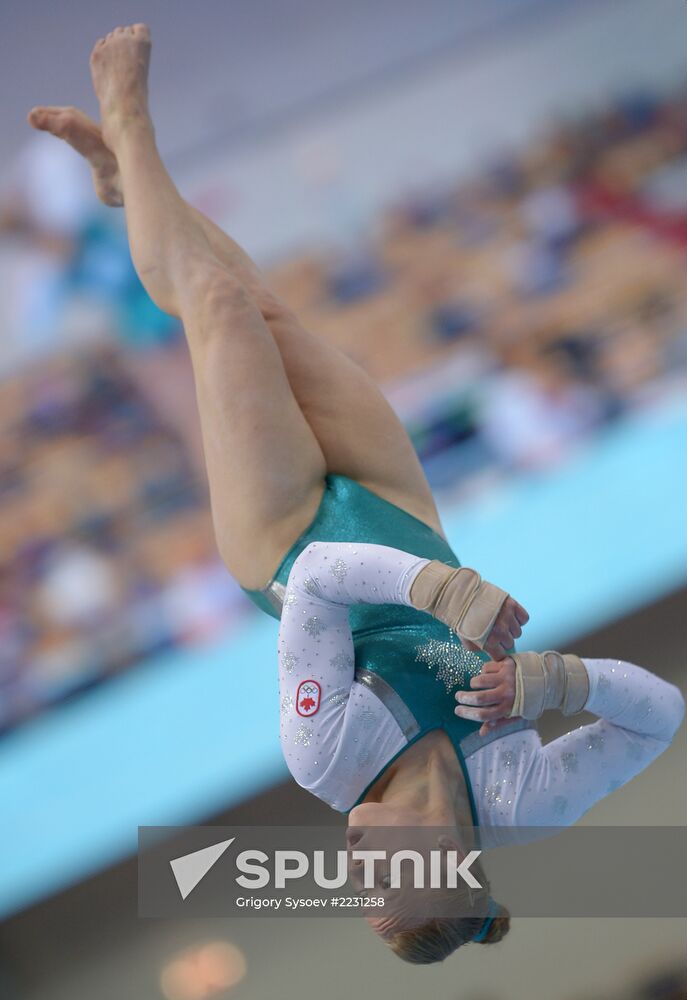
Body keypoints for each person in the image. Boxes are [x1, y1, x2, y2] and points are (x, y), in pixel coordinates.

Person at [28, 24, 685, 964]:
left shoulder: (325, 760)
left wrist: (445, 593)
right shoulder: (522, 799)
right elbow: (659, 713)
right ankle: (130, 192)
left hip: (286, 542)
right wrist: (551, 683)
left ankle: (131, 130)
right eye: (379, 880)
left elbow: (328, 578)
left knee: (216, 313)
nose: (350, 867)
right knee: (261, 304)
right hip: (400, 512)